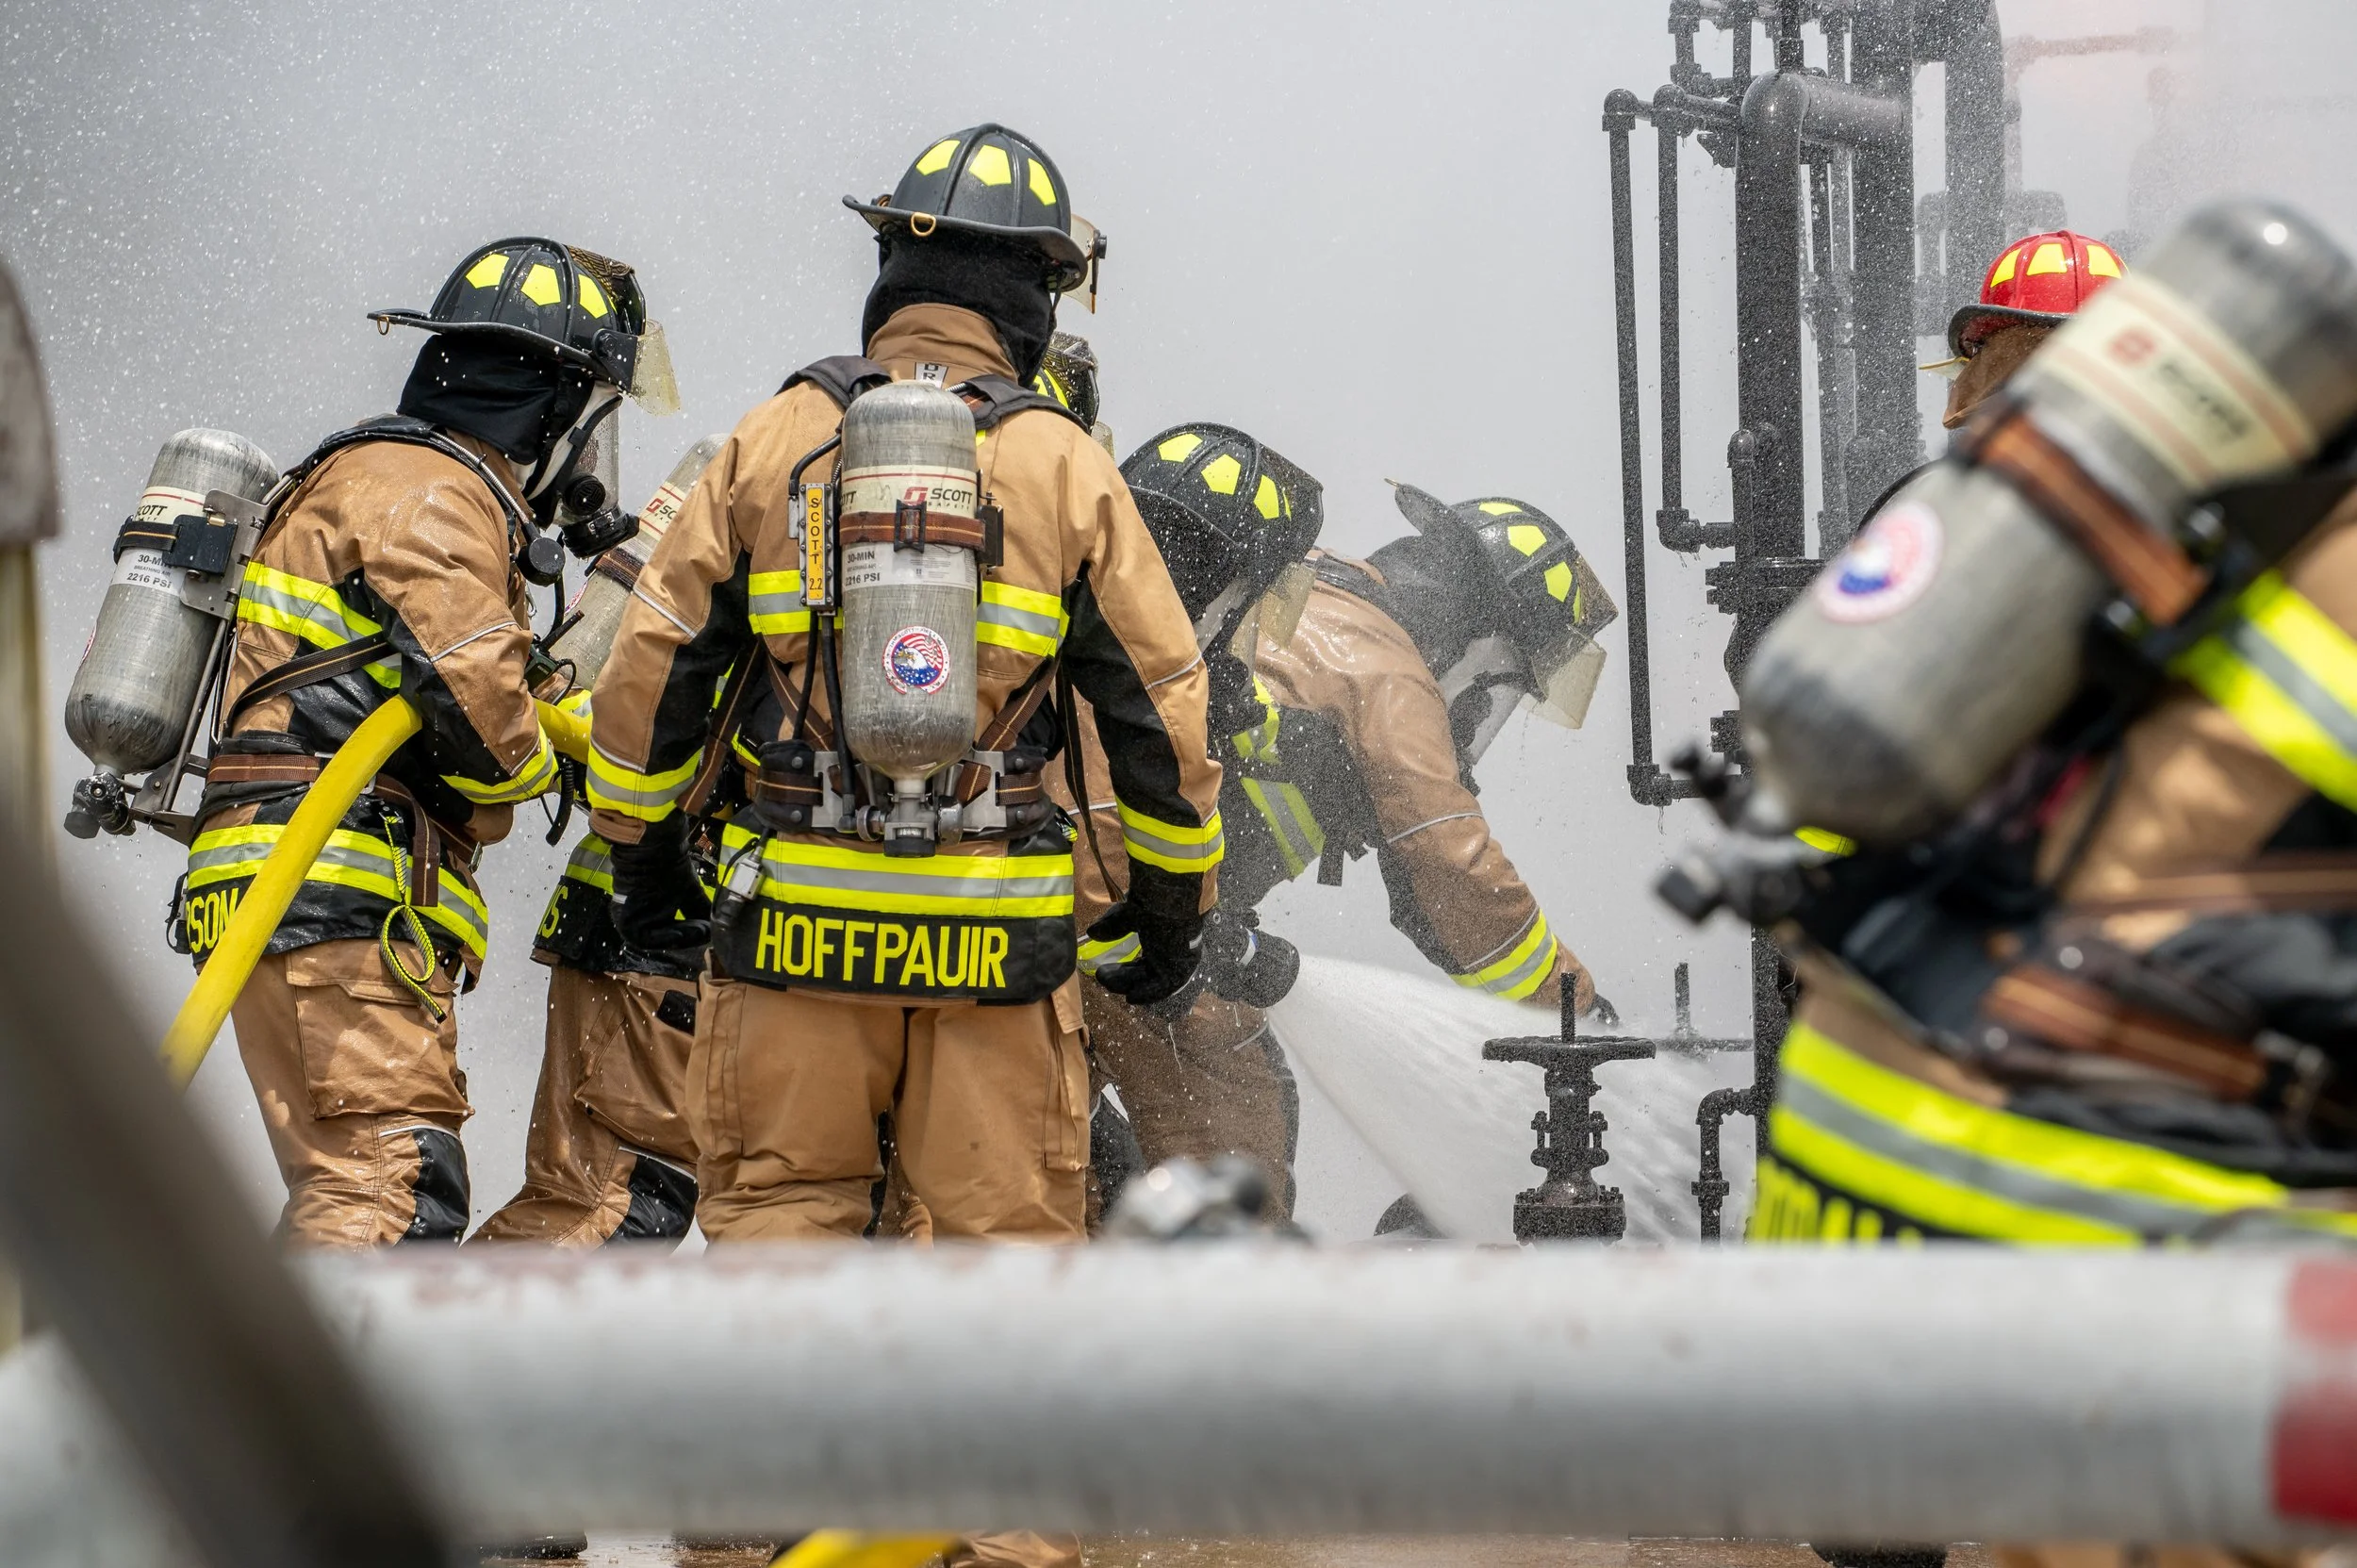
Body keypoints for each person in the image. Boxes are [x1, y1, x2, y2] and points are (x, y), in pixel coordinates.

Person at [585, 122, 1220, 1248]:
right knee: (1000, 1257)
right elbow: (1159, 716)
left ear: (891, 272)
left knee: (782, 1227)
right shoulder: (1063, 463)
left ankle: (799, 1432)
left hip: (793, 929)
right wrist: (1170, 919)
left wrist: (647, 873)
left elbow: (654, 669)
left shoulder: (775, 436)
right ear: (1035, 296)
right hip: (994, 936)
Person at [183, 237, 666, 1246]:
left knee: (380, 1184)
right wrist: (547, 757)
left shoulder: (381, 476)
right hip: (333, 887)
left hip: (314, 888)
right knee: (385, 1194)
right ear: (553, 406)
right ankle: (288, 1407)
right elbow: (481, 719)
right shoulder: (427, 488)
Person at [1077, 441, 1619, 1220]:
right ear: (1483, 646)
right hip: (1133, 924)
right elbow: (1451, 871)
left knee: (1048, 1158)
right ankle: (1221, 1321)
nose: (1480, 715)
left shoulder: (1310, 597)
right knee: (1234, 1123)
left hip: (1068, 889)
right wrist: (1576, 1008)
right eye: (1499, 690)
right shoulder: (1385, 667)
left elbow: (1418, 900)